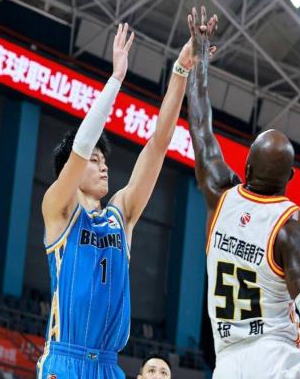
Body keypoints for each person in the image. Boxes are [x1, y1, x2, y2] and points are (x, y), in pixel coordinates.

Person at [186, 6, 300, 379]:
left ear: (246, 167)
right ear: (290, 178)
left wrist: (200, 60)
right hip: (276, 360)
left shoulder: (219, 193)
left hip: (227, 364)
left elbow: (200, 125)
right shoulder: (290, 232)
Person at [36, 22, 195, 378]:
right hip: (65, 360)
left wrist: (181, 70)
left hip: (108, 365)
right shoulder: (58, 209)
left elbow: (158, 144)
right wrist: (116, 79)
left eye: (104, 160)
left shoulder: (120, 215)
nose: (103, 166)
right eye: (95, 161)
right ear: (73, 169)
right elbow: (81, 145)